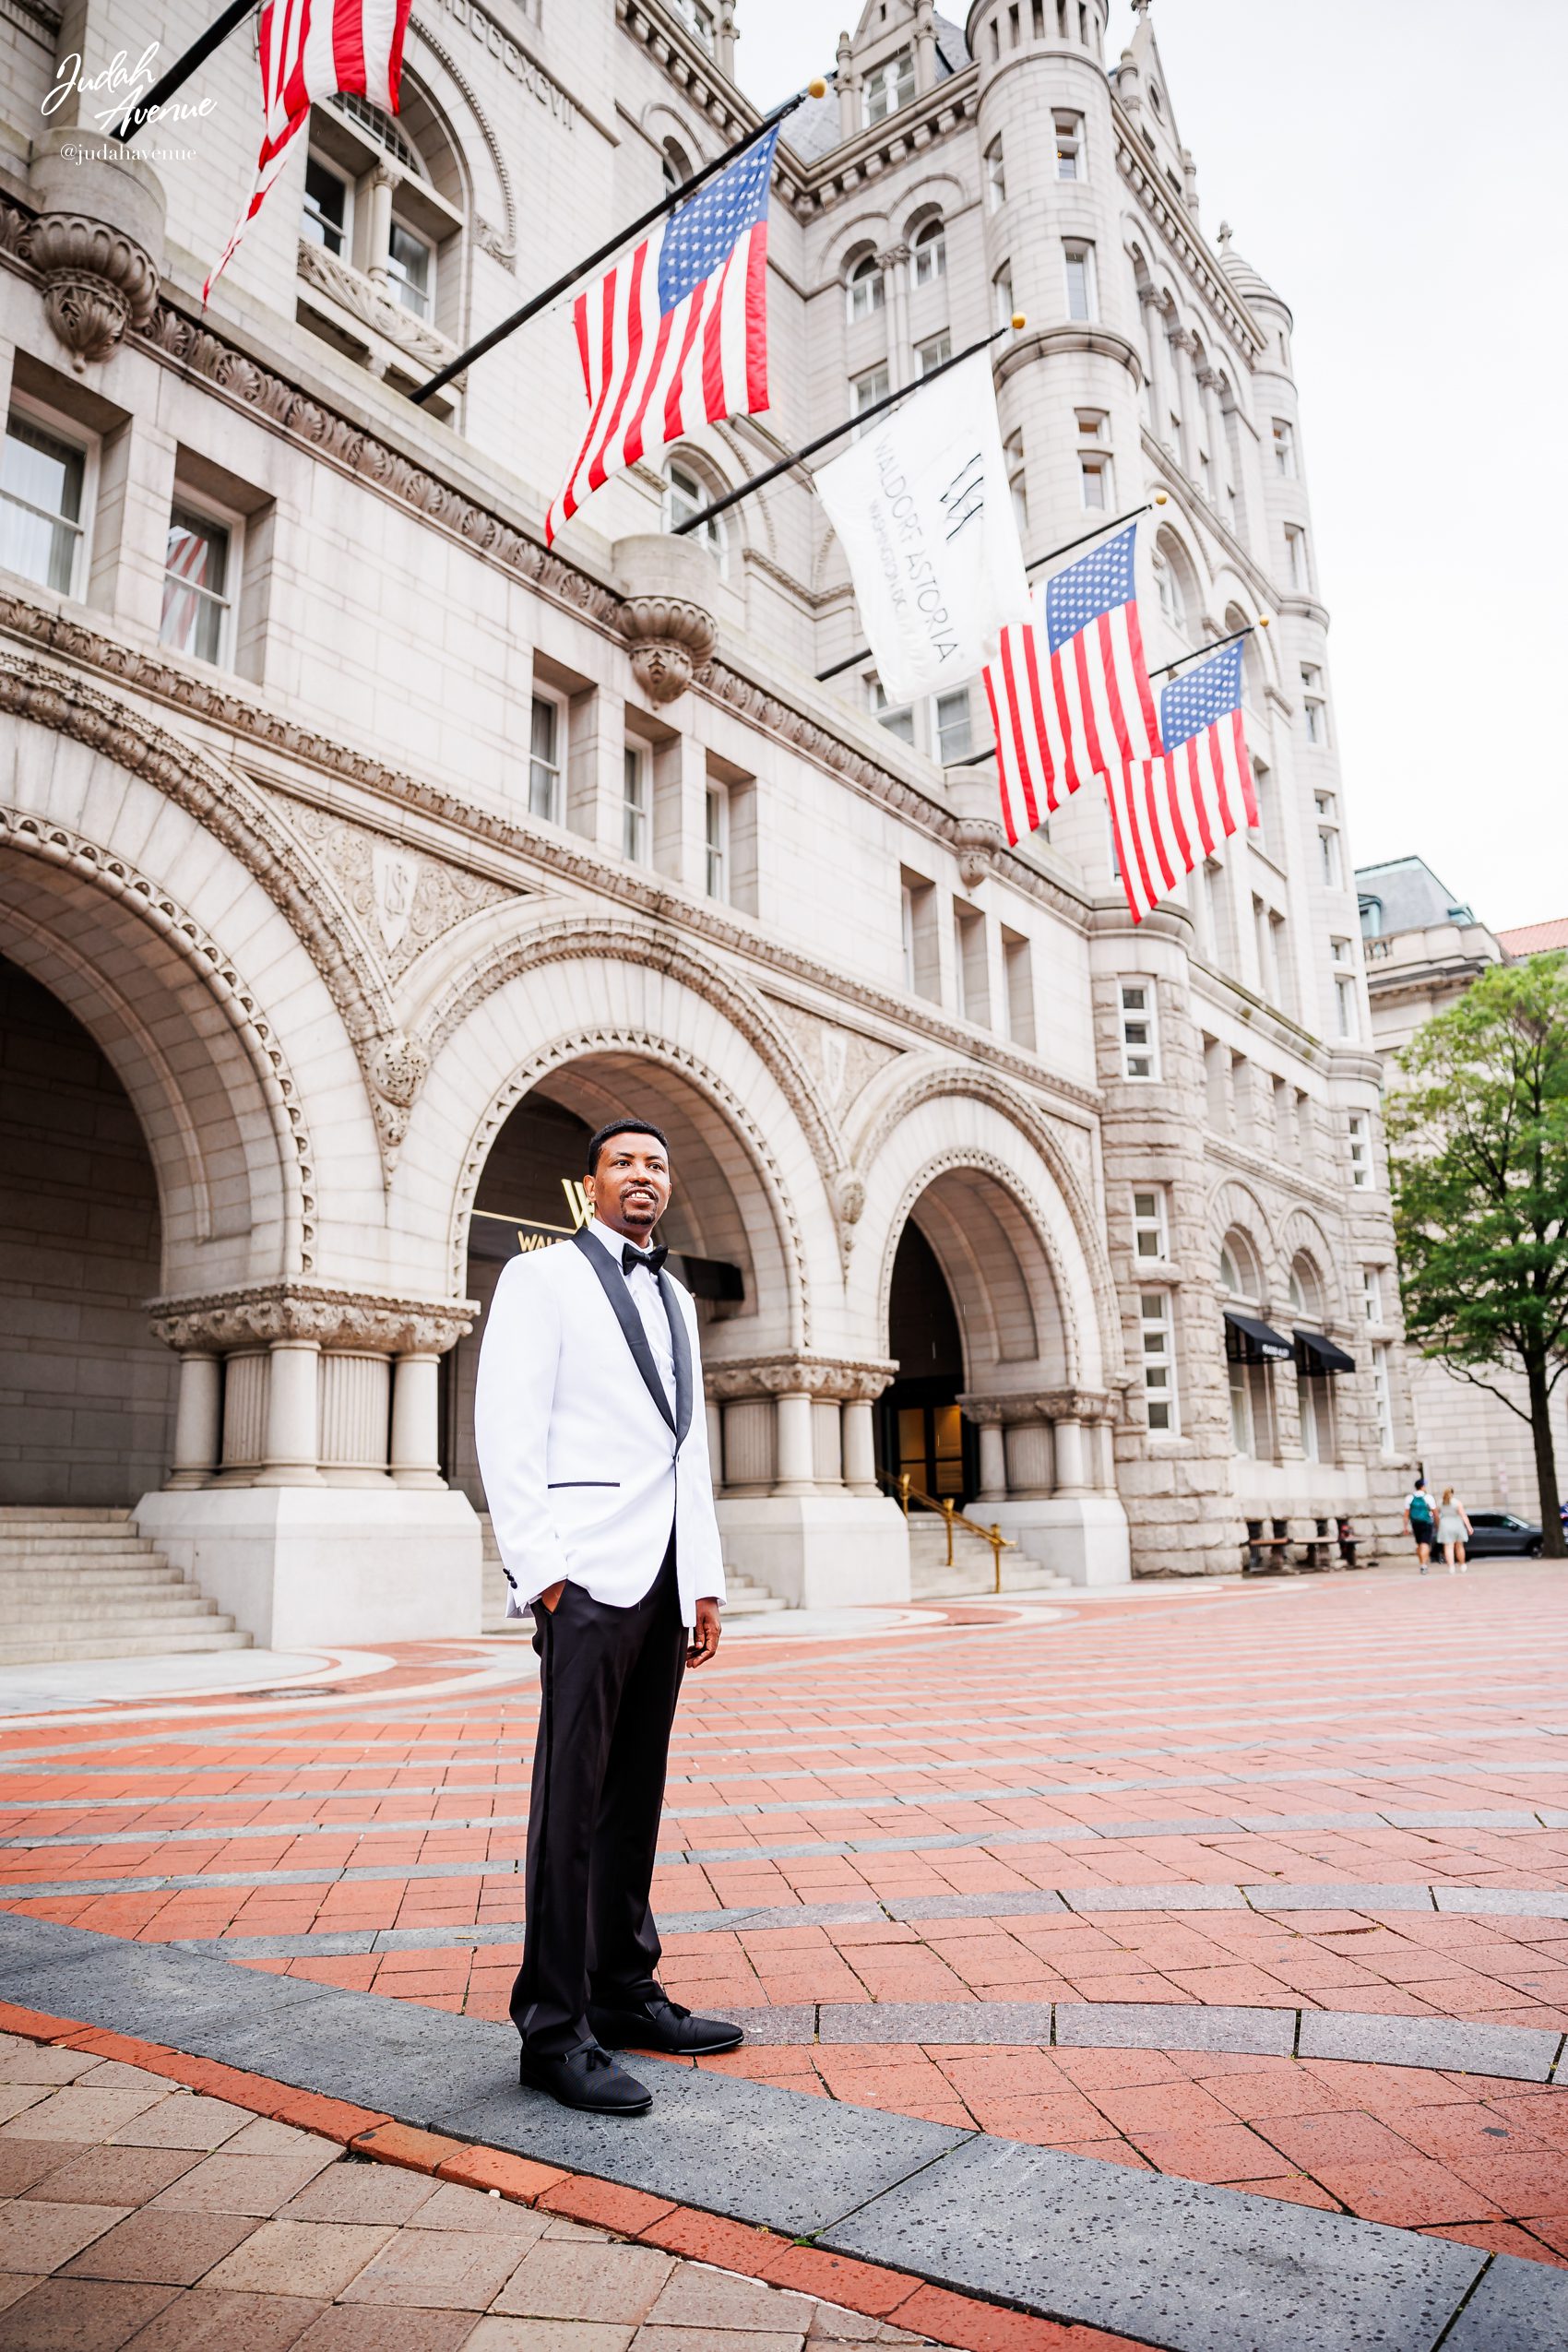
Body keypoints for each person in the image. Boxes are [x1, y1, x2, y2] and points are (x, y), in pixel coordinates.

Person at [474, 1118, 741, 2117]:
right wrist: (545, 1575)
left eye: (656, 1164)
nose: (643, 1175)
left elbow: (686, 1449)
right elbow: (506, 1425)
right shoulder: (539, 1278)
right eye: (624, 1162)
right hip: (584, 1577)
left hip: (663, 1578)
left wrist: (702, 1579)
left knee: (636, 1797)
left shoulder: (676, 1297)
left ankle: (623, 1991)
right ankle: (553, 2029)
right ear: (589, 1184)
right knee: (570, 1804)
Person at [1436, 1485, 1472, 1573]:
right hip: (1457, 1524)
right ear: (1452, 1493)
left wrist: (1438, 1525)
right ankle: (1462, 1564)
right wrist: (1469, 1527)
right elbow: (1463, 1515)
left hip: (1445, 1525)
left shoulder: (1440, 1503)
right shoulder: (1457, 1502)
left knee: (1448, 1547)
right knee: (1459, 1546)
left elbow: (1436, 1515)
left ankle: (1451, 1567)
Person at [1404, 1477, 1434, 1573]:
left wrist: (1405, 1527)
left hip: (1415, 1523)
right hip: (1426, 1523)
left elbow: (1406, 1514)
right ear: (1422, 1486)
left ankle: (1422, 1563)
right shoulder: (1428, 1497)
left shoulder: (1409, 1498)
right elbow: (1435, 1512)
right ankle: (1424, 1565)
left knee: (1419, 1543)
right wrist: (1438, 1523)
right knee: (1425, 1543)